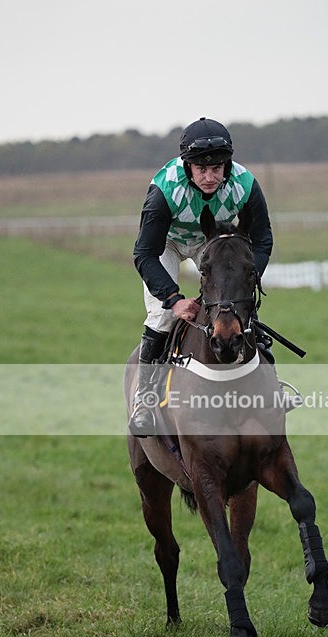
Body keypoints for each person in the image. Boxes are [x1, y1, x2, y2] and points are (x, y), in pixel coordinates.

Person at [129, 117, 273, 436]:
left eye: (217, 168)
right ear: (188, 166)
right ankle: (144, 399)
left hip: (210, 241)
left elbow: (262, 240)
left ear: (227, 165)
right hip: (164, 244)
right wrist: (173, 299)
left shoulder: (246, 185)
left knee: (234, 305)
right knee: (163, 316)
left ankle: (266, 388)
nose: (210, 177)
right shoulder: (165, 190)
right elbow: (144, 254)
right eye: (201, 169)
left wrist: (248, 280)